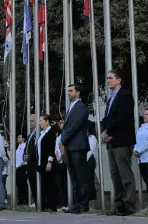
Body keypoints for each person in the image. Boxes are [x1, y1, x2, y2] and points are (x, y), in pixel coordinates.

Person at [101, 70, 137, 216]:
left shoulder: (125, 95)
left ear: (119, 80)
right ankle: (119, 206)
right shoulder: (110, 98)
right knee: (115, 176)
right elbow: (108, 119)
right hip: (112, 142)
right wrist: (105, 133)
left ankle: (129, 206)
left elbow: (123, 117)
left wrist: (108, 132)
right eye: (107, 78)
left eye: (110, 78)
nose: (108, 80)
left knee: (125, 175)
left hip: (122, 141)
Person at [60, 84, 90, 214]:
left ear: (78, 93)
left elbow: (75, 125)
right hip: (70, 147)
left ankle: (83, 204)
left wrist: (63, 139)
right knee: (74, 177)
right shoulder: (71, 108)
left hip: (78, 146)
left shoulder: (82, 107)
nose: (68, 93)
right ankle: (77, 204)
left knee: (81, 177)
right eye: (68, 91)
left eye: (71, 91)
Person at [36, 114, 57, 212]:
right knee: (44, 184)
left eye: (41, 121)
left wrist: (50, 161)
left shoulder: (50, 132)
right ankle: (45, 205)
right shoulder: (42, 133)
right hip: (41, 161)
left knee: (50, 184)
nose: (40, 123)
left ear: (47, 121)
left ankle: (52, 205)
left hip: (48, 161)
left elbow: (51, 148)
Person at [23, 114, 37, 207]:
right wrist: (24, 155)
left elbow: (35, 148)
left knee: (36, 181)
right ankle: (35, 200)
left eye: (32, 121)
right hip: (29, 162)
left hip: (34, 161)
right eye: (29, 121)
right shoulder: (30, 134)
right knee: (31, 181)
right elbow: (27, 146)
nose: (30, 123)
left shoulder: (37, 133)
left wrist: (30, 155)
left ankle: (38, 200)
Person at [54, 122, 68, 211]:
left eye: (62, 123)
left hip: (65, 161)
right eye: (59, 123)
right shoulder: (58, 137)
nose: (61, 125)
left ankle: (66, 202)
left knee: (66, 183)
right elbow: (56, 148)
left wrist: (61, 157)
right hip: (58, 163)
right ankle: (61, 202)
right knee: (59, 184)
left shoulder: (67, 135)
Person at [87, 121, 98, 203]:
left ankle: (92, 198)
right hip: (85, 160)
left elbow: (90, 150)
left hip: (90, 159)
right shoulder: (86, 137)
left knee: (90, 180)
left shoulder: (92, 137)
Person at [16, 134, 28, 205]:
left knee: (23, 184)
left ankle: (25, 199)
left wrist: (18, 165)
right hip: (18, 167)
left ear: (23, 139)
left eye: (19, 137)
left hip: (22, 166)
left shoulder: (24, 146)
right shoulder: (18, 147)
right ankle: (20, 199)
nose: (18, 138)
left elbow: (23, 158)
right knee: (19, 184)